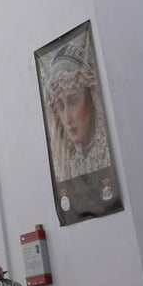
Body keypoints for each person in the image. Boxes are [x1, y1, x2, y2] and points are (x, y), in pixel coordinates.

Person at [42, 41, 110, 181]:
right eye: (60, 106)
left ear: (92, 100)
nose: (67, 118)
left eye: (73, 102)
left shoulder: (109, 153)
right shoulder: (65, 166)